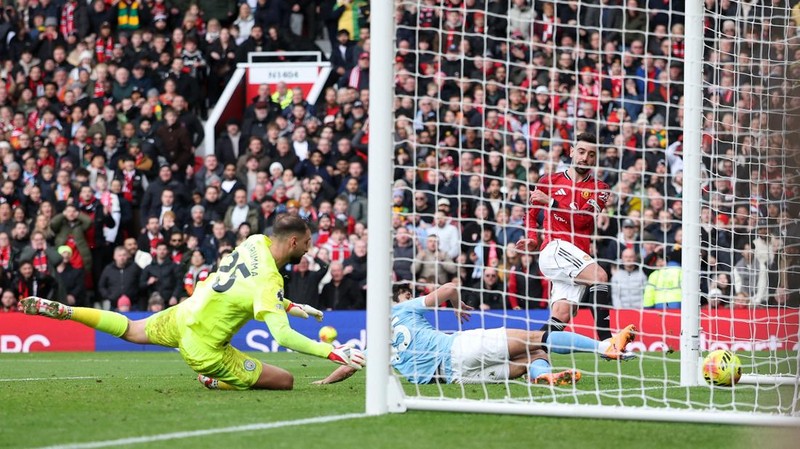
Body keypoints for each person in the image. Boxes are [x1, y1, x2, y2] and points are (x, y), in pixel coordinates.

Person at [20, 214, 365, 391]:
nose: (308, 249)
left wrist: (289, 305)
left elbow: (243, 286)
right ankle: (213, 379)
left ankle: (67, 311)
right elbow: (284, 338)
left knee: (132, 329)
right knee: (285, 380)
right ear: (292, 241)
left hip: (185, 313)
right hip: (206, 350)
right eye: (306, 243)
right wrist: (334, 352)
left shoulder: (255, 241)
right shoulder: (269, 281)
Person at [314, 283, 636, 386]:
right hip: (459, 348)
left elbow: (347, 365)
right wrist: (456, 307)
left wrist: (323, 382)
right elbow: (451, 288)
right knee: (535, 339)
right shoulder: (403, 310)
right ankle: (604, 346)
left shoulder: (377, 348)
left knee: (532, 360)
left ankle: (543, 378)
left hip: (455, 379)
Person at [516, 132, 613, 339]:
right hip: (554, 248)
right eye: (581, 151)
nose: (585, 157)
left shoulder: (601, 189)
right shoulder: (549, 181)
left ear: (596, 159)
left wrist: (551, 203)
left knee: (561, 314)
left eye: (591, 154)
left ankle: (531, 352)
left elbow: (583, 220)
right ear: (571, 152)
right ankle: (608, 342)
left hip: (576, 258)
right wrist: (533, 238)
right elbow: (530, 215)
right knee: (600, 276)